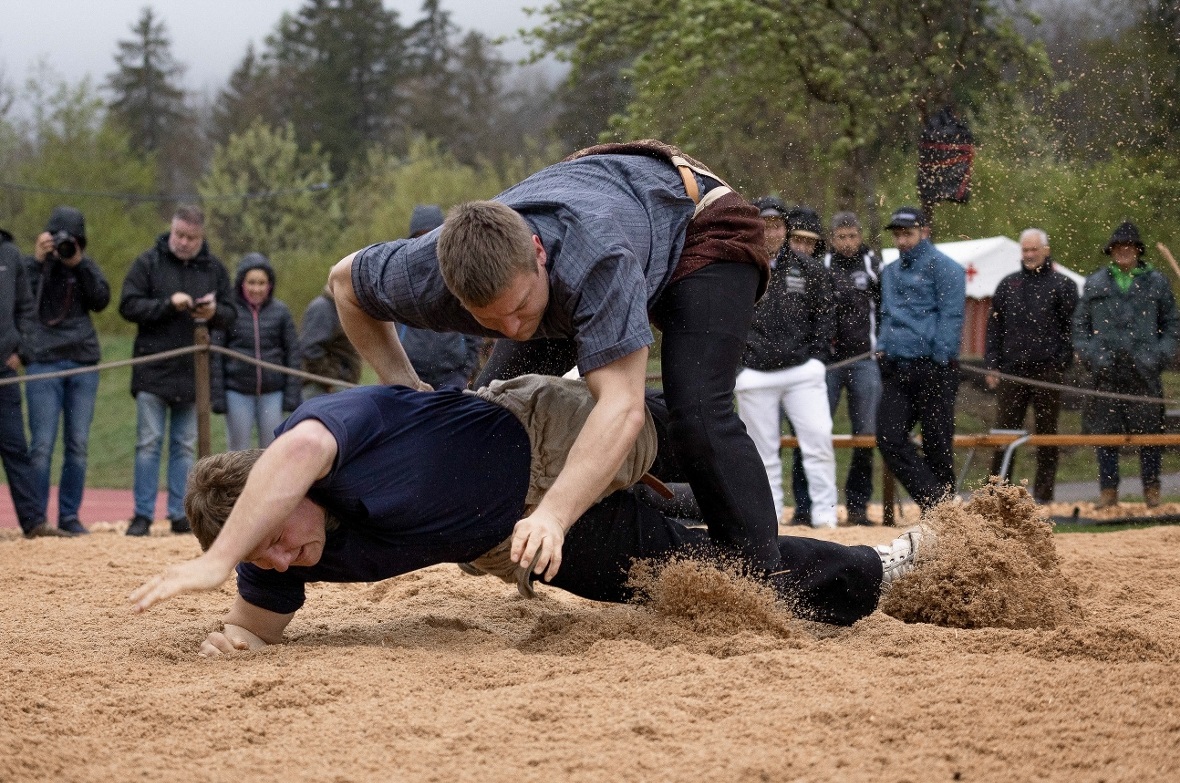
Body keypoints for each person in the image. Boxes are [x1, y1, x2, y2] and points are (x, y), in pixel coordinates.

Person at [128, 377, 925, 656]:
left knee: (704, 439)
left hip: (548, 434)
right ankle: (883, 566)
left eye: (270, 535)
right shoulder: (273, 556)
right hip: (518, 537)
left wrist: (221, 554)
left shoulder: (330, 431)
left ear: (281, 488)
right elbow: (252, 626)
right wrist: (231, 635)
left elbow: (299, 446)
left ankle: (682, 483)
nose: (276, 557)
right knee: (691, 578)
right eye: (257, 556)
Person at [329, 140, 777, 582]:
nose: (511, 329)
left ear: (538, 253)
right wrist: (402, 384)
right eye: (489, 318)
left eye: (520, 306)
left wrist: (554, 516)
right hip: (598, 202)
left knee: (696, 408)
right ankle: (654, 503)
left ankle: (763, 577)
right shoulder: (423, 268)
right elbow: (344, 284)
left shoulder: (597, 262)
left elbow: (621, 408)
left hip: (695, 219)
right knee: (492, 428)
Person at [119, 205, 235, 536]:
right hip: (152, 369)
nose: (183, 242)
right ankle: (142, 514)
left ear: (201, 237)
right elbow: (128, 305)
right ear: (171, 230)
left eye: (190, 237)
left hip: (192, 373)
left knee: (185, 445)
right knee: (148, 442)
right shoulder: (148, 262)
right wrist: (168, 304)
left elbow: (231, 314)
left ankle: (179, 514)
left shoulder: (214, 268)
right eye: (178, 235)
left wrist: (213, 312)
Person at [735, 203, 838, 527]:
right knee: (762, 454)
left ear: (786, 229)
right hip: (753, 373)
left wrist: (817, 359)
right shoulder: (740, 267)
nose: (772, 232)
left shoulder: (809, 269)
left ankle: (825, 515)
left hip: (801, 371)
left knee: (818, 441)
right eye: (765, 225)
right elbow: (727, 317)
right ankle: (771, 518)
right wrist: (739, 367)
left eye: (778, 226)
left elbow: (825, 315)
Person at [1073, 220, 1179, 508]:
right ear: (1111, 251)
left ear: (1137, 250)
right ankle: (1108, 494)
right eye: (1118, 247)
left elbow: (1172, 324)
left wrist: (1159, 355)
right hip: (1106, 370)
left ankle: (1152, 493)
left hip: (1145, 371)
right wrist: (1091, 354)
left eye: (1128, 247)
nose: (1123, 251)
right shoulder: (1095, 282)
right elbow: (1079, 325)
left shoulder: (1156, 282)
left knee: (1150, 435)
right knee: (1106, 434)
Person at [22, 207, 110, 535]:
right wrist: (36, 262)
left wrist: (79, 264)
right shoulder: (33, 268)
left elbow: (102, 300)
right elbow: (23, 303)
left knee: (78, 444)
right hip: (43, 361)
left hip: (82, 361)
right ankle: (36, 519)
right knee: (41, 445)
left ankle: (69, 516)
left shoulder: (83, 265)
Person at [876, 206, 966, 511]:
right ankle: (939, 503)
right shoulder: (888, 272)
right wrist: (883, 347)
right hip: (896, 367)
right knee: (888, 437)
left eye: (908, 233)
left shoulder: (947, 268)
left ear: (923, 232)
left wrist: (940, 357)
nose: (902, 240)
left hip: (934, 367)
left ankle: (943, 516)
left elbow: (951, 316)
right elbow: (886, 314)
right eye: (898, 234)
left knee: (938, 444)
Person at [985, 228, 1078, 503]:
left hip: (1048, 372)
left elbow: (1073, 329)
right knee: (1004, 434)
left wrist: (1061, 361)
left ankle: (1044, 497)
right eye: (1025, 250)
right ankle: (996, 494)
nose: (1028, 255)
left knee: (1047, 436)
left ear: (1046, 250)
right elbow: (994, 328)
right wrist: (992, 364)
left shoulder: (1063, 285)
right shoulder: (1008, 285)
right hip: (1012, 370)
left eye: (1033, 250)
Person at [0, 227, 62, 538]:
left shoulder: (9, 254)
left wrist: (21, 351)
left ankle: (34, 523)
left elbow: (26, 308)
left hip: (5, 373)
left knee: (16, 449)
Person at [211, 253, 301, 451]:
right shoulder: (228, 312)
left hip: (272, 392)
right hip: (237, 391)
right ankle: (238, 484)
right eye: (251, 282)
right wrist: (217, 396)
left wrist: (292, 394)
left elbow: (293, 353)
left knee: (271, 449)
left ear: (269, 285)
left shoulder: (281, 312)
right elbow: (215, 355)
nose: (256, 288)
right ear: (241, 283)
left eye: (262, 283)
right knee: (237, 451)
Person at [396, 205, 481, 389]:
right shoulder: (399, 277)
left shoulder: (459, 273)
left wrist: (466, 371)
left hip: (452, 376)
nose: (425, 241)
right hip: (409, 376)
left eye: (431, 235)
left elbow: (475, 324)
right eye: (420, 236)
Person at [298, 285, 362, 401]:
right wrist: (331, 379)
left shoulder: (342, 307)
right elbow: (311, 349)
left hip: (339, 383)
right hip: (323, 387)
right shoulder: (323, 308)